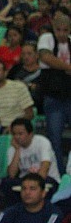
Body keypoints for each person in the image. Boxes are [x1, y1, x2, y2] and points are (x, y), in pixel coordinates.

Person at [38, 15, 71, 170]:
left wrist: (61, 66)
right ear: (53, 28)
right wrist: (68, 68)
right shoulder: (47, 38)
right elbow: (46, 57)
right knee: (55, 139)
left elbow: (53, 61)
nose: (62, 34)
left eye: (65, 30)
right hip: (54, 98)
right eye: (58, 30)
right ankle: (59, 173)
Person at [3, 118, 60, 203]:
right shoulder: (12, 149)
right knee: (6, 182)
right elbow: (11, 174)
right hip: (25, 180)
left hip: (46, 178)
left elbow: (45, 167)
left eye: (20, 134)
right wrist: (17, 150)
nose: (17, 137)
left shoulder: (42, 142)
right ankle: (17, 210)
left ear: (30, 134)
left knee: (42, 185)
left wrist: (32, 185)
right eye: (14, 134)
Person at [0, 60, 34, 131]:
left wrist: (13, 127)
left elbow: (29, 114)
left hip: (16, 128)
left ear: (5, 72)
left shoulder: (18, 87)